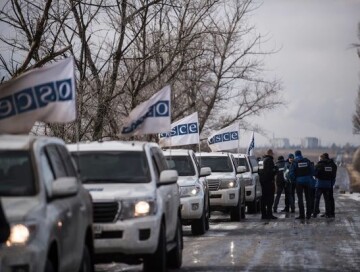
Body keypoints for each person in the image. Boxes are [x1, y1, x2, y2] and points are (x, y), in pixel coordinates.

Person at [289, 150, 315, 220]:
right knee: (308, 198)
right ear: (301, 154)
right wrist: (309, 178)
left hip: (299, 182)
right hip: (308, 182)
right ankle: (308, 215)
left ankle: (302, 215)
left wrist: (295, 180)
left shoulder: (294, 162)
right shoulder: (307, 161)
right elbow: (312, 170)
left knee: (300, 199)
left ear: (295, 155)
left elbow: (291, 173)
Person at [313, 153, 337, 218]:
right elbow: (333, 175)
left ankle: (315, 213)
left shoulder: (318, 165)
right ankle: (328, 214)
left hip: (319, 184)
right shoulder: (331, 165)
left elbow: (314, 173)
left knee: (317, 199)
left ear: (321, 158)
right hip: (328, 185)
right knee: (327, 200)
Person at [259, 149, 278, 220]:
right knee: (270, 199)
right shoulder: (269, 160)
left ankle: (263, 215)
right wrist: (275, 170)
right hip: (269, 182)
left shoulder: (261, 160)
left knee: (263, 199)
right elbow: (270, 172)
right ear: (270, 153)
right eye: (272, 154)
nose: (273, 155)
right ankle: (269, 214)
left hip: (262, 182)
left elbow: (259, 171)